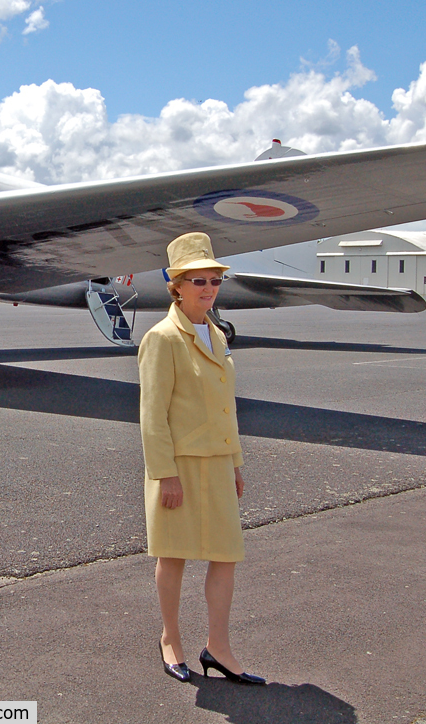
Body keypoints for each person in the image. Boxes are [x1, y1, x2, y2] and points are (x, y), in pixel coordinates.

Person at [138, 232, 266, 686]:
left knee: (225, 555)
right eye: (198, 281)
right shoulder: (162, 338)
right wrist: (165, 476)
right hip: (180, 466)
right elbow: (152, 416)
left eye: (215, 280)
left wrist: (235, 463)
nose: (209, 288)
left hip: (217, 462)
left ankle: (219, 648)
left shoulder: (214, 333)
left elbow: (225, 406)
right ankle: (170, 638)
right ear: (176, 286)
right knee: (173, 557)